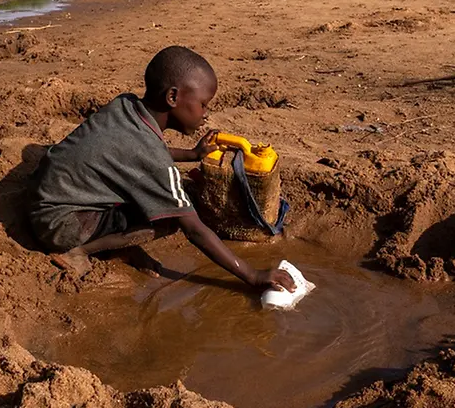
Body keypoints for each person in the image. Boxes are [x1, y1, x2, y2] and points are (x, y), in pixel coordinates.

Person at [28, 45, 294, 293]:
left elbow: (135, 153)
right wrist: (252, 275)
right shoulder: (151, 156)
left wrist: (191, 155)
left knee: (151, 196)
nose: (205, 114)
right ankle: (79, 251)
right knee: (170, 217)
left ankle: (114, 244)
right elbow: (194, 230)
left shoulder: (126, 106)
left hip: (46, 199)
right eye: (203, 104)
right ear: (173, 97)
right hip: (60, 226)